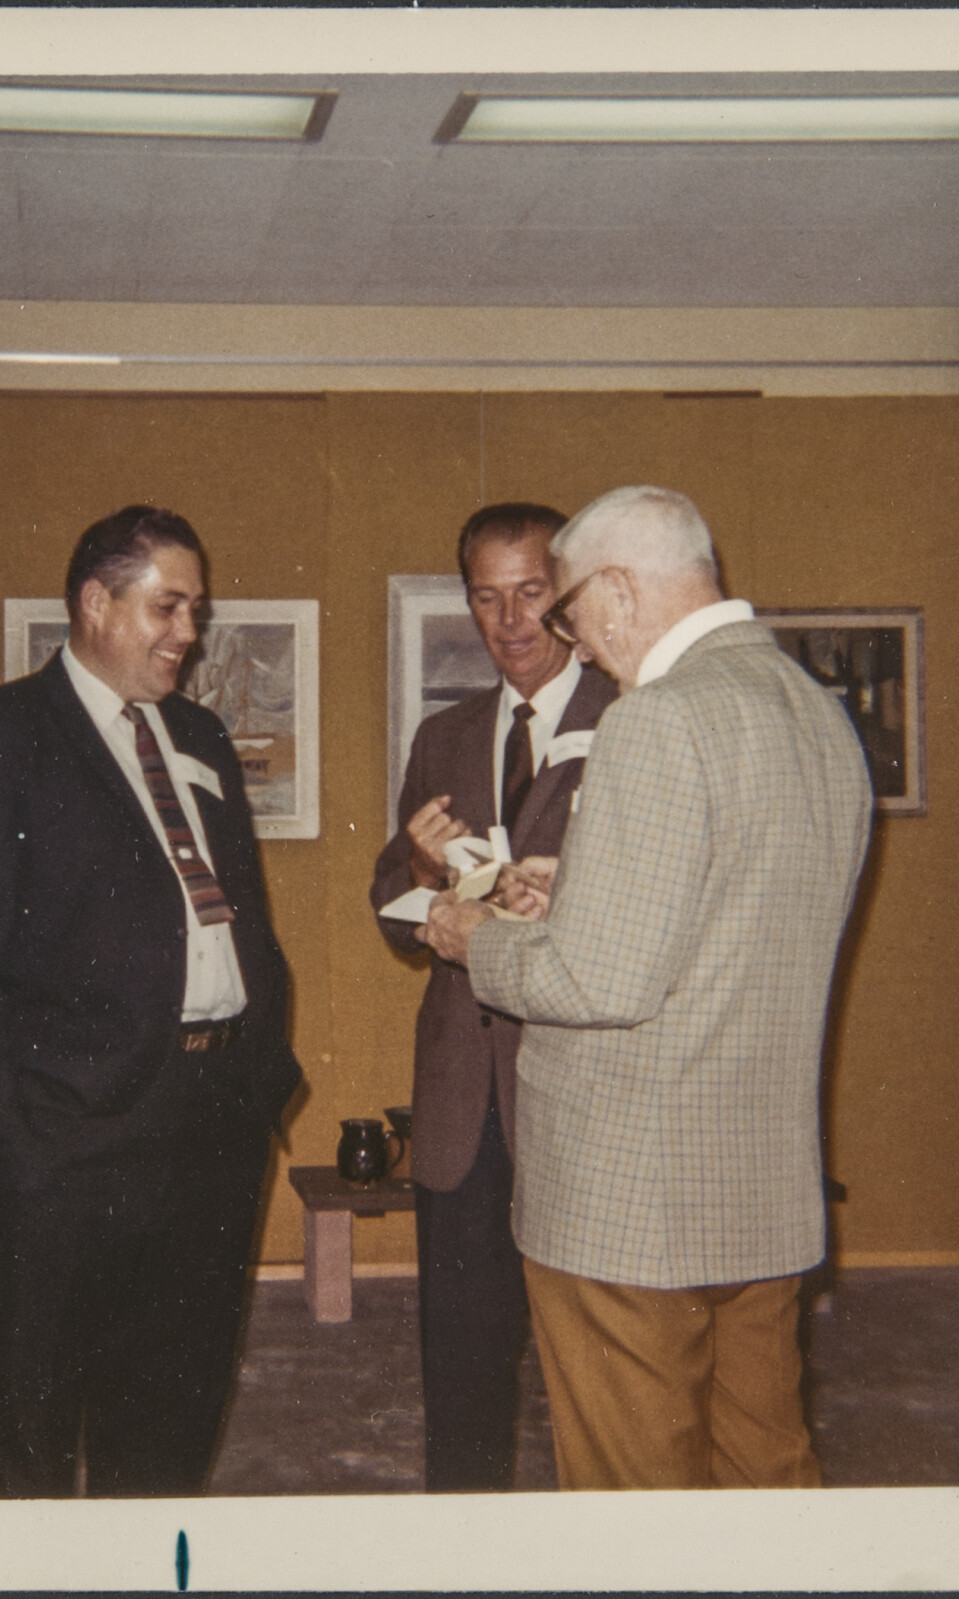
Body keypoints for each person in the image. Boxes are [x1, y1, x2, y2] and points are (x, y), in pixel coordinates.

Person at [425, 485, 871, 1490]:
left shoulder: (653, 721)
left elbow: (598, 980)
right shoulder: (814, 714)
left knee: (637, 1499)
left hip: (627, 1209)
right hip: (755, 1196)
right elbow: (729, 928)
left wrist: (470, 939)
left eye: (573, 617)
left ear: (619, 590)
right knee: (762, 1474)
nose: (578, 650)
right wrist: (573, 890)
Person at [0, 505, 303, 1498]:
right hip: (68, 1127)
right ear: (95, 602)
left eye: (195, 608)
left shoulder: (199, 734)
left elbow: (241, 913)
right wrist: (4, 1109)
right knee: (39, 1417)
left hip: (215, 1116)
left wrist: (262, 1072)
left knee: (173, 1413)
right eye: (168, 606)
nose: (189, 632)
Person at [371, 503, 617, 1492]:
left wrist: (563, 895)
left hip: (577, 1091)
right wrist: (420, 866)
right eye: (485, 594)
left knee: (596, 1372)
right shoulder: (445, 736)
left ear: (563, 595)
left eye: (528, 592)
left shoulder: (630, 715)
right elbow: (391, 912)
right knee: (462, 1367)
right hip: (461, 1096)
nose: (509, 619)